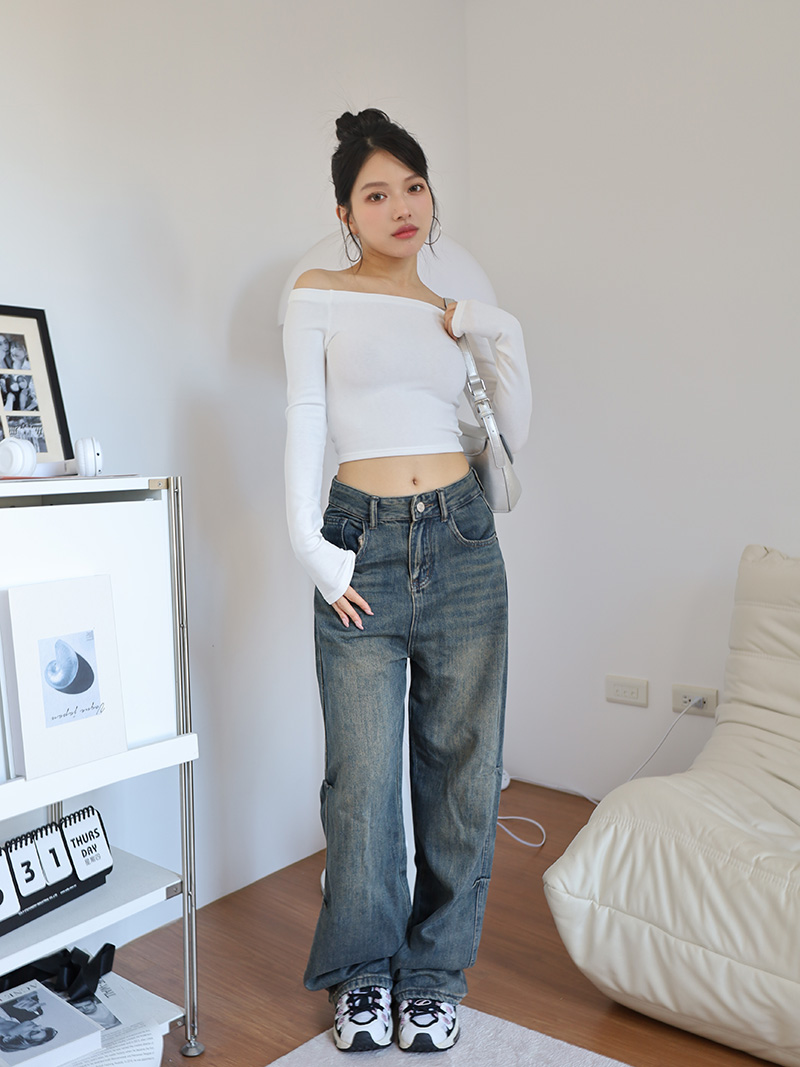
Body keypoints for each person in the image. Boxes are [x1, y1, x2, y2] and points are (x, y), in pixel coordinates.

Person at [283, 108, 531, 1053]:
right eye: (376, 193)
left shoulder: (453, 313)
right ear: (345, 213)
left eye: (413, 187)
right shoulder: (317, 294)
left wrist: (495, 328)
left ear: (432, 198)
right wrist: (313, 551)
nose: (400, 206)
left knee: (463, 775)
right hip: (361, 541)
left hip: (462, 537)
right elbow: (305, 421)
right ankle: (363, 971)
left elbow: (512, 431)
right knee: (361, 780)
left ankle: (433, 973)